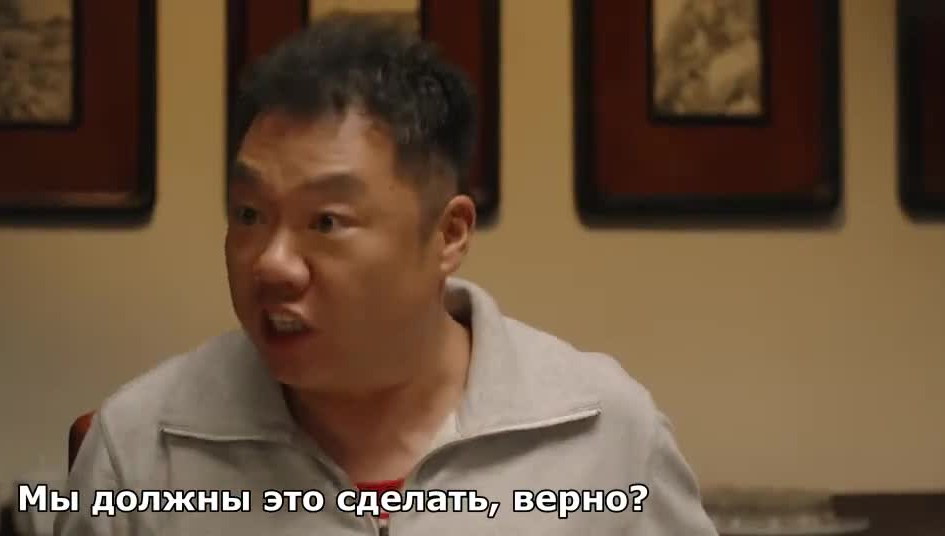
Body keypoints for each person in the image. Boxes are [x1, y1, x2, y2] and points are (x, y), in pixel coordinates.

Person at [57, 12, 718, 536]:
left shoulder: (600, 431)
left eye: (326, 221)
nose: (273, 264)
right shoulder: (141, 448)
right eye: (250, 214)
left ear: (449, 235)